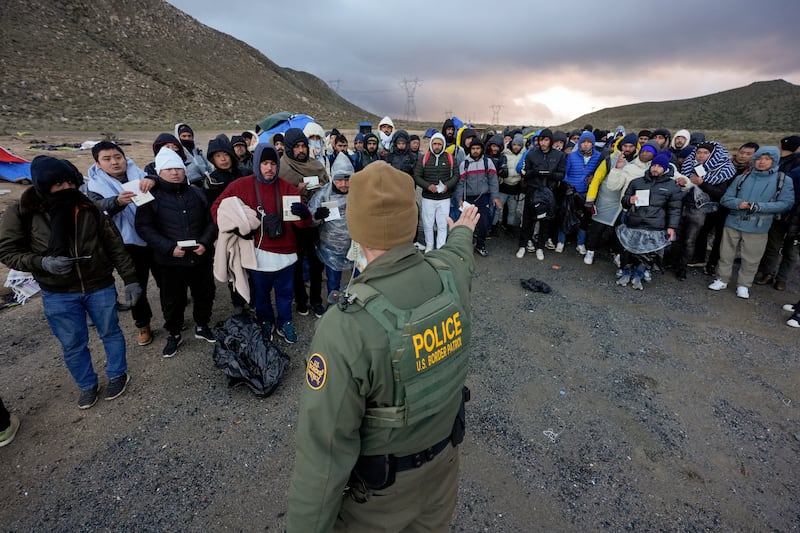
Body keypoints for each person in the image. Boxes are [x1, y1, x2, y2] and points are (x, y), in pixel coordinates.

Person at [286, 161, 479, 532]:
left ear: (357, 228)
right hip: (443, 474)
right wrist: (463, 230)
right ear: (412, 218)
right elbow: (459, 252)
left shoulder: (346, 326)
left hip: (381, 499)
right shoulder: (449, 275)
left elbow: (323, 453)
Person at [0, 156, 140, 408]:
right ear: (44, 186)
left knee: (111, 332)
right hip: (58, 291)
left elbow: (113, 244)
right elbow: (8, 251)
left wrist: (130, 279)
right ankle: (87, 385)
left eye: (70, 183)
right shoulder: (23, 212)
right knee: (73, 343)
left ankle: (117, 373)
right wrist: (43, 263)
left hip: (99, 284)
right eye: (58, 184)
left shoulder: (88, 207)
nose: (66, 189)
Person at [212, 143, 312, 343]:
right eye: (265, 163)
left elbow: (303, 224)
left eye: (273, 163)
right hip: (258, 254)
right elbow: (217, 209)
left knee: (285, 293)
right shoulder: (240, 186)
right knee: (262, 294)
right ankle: (266, 321)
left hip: (286, 255)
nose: (269, 168)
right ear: (257, 163)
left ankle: (285, 322)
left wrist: (304, 215)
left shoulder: (288, 188)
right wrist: (237, 227)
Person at [135, 147, 218, 357]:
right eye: (168, 169)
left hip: (200, 257)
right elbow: (144, 227)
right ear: (159, 172)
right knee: (172, 300)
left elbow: (211, 221)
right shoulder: (150, 196)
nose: (175, 173)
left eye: (178, 168)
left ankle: (202, 325)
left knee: (204, 294)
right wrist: (169, 248)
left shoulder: (197, 193)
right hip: (170, 262)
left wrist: (206, 243)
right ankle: (173, 333)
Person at [84, 141, 157, 346]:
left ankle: (174, 315)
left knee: (166, 278)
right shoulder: (95, 185)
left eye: (118, 157)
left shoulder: (139, 173)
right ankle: (143, 325)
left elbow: (159, 181)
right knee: (136, 285)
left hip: (153, 235)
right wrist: (116, 202)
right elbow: (96, 209)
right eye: (107, 159)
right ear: (98, 163)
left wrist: (152, 180)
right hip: (126, 242)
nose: (114, 162)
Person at [708, 147, 795, 299]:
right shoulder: (743, 177)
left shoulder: (783, 180)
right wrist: (738, 204)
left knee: (752, 257)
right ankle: (722, 279)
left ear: (774, 161)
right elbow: (726, 198)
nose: (762, 162)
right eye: (760, 158)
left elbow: (786, 203)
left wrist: (760, 206)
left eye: (767, 159)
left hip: (758, 225)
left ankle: (744, 285)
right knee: (726, 253)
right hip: (733, 221)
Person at [279, 128, 329, 319]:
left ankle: (316, 301)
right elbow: (278, 196)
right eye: (296, 147)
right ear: (289, 149)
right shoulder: (282, 169)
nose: (301, 150)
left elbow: (328, 189)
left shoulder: (316, 165)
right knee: (297, 264)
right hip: (294, 227)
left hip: (315, 225)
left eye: (303, 146)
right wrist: (295, 191)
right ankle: (301, 301)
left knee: (317, 265)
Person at [617, 152, 682, 290]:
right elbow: (624, 202)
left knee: (647, 254)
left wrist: (671, 227)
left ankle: (638, 276)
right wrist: (629, 200)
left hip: (655, 226)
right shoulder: (636, 182)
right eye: (654, 165)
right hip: (634, 223)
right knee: (628, 251)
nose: (655, 168)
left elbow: (675, 209)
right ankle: (626, 273)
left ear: (665, 168)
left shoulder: (672, 186)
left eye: (659, 166)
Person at [673, 141, 736, 280]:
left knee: (690, 240)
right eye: (699, 152)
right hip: (681, 206)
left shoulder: (722, 170)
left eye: (705, 153)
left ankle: (682, 268)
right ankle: (672, 263)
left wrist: (702, 183)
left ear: (712, 155)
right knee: (676, 238)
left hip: (698, 211)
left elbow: (720, 194)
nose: (701, 156)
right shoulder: (689, 165)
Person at [753, 135, 800, 290]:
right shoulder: (786, 162)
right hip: (782, 211)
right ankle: (768, 273)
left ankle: (782, 278)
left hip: (795, 215)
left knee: (790, 249)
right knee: (773, 244)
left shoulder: (793, 164)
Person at [309, 152, 354, 305]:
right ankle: (333, 308)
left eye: (347, 179)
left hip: (355, 247)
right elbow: (310, 220)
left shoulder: (359, 192)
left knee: (358, 281)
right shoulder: (323, 195)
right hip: (331, 248)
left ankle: (354, 306)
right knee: (333, 282)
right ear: (333, 177)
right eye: (339, 179)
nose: (343, 184)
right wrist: (317, 216)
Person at [517, 128, 565, 260]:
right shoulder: (531, 154)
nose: (542, 143)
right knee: (527, 220)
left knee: (545, 222)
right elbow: (524, 172)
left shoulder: (559, 155)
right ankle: (522, 245)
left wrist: (550, 174)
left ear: (550, 141)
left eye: (546, 140)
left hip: (549, 192)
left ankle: (540, 247)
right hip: (532, 191)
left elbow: (561, 174)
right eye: (540, 140)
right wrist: (536, 172)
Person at [456, 140, 502, 256]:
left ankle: (480, 245)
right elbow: (460, 183)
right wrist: (459, 199)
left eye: (478, 148)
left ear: (481, 149)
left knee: (484, 223)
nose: (475, 151)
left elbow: (493, 180)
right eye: (473, 148)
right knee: (467, 224)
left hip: (484, 197)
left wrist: (495, 197)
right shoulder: (464, 164)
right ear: (470, 150)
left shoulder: (488, 162)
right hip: (468, 198)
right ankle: (466, 246)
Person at [413, 132, 458, 252]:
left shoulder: (450, 158)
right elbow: (417, 176)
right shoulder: (424, 158)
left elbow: (456, 175)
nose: (437, 146)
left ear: (443, 145)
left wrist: (447, 186)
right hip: (428, 198)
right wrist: (428, 186)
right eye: (435, 144)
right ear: (431, 144)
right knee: (428, 224)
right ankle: (429, 245)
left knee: (442, 224)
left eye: (439, 144)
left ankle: (441, 247)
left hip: (444, 198)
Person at [558, 131, 601, 254]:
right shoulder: (571, 156)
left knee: (584, 220)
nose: (586, 145)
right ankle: (561, 241)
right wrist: (567, 186)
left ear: (593, 144)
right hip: (571, 192)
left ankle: (580, 243)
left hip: (586, 194)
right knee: (566, 216)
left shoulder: (598, 157)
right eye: (583, 142)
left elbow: (599, 173)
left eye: (589, 142)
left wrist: (593, 176)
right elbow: (565, 173)